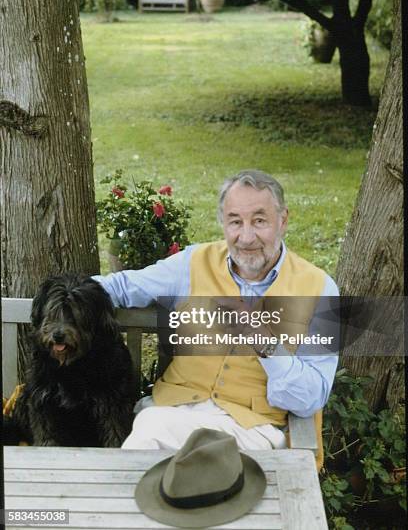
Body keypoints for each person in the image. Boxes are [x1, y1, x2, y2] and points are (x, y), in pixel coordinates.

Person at [94, 170, 339, 469]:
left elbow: (311, 397)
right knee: (137, 464)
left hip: (250, 432)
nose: (246, 237)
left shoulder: (320, 288)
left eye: (259, 221)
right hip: (172, 414)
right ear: (223, 222)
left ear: (283, 220)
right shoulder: (192, 263)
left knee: (214, 489)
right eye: (235, 221)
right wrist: (63, 296)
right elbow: (121, 287)